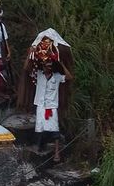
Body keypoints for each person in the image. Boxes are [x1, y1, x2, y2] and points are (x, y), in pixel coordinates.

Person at [17, 29, 73, 164]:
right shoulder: (39, 75)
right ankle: (39, 147)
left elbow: (70, 76)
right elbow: (26, 68)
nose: (47, 66)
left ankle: (57, 152)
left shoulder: (57, 77)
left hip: (51, 106)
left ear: (52, 66)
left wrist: (58, 62)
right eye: (45, 64)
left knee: (54, 129)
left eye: (49, 64)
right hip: (41, 105)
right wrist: (31, 53)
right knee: (40, 127)